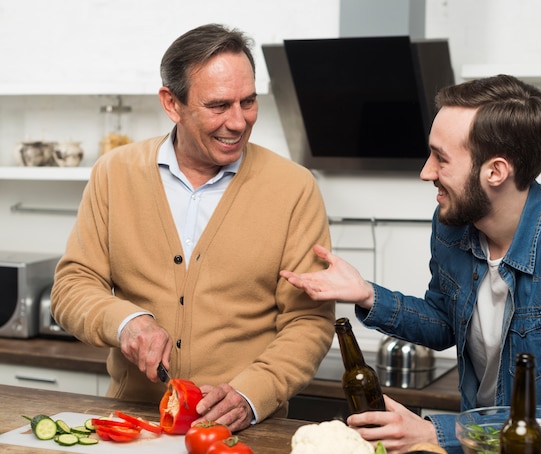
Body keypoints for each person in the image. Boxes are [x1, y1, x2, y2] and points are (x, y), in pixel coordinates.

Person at [280, 74, 541, 454]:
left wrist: (434, 433)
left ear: (495, 171)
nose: (426, 171)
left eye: (441, 158)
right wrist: (368, 295)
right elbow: (445, 322)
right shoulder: (451, 225)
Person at [51, 23, 335, 432]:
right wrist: (126, 321)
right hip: (135, 426)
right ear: (172, 103)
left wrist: (254, 392)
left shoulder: (294, 188)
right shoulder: (114, 173)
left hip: (246, 431)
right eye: (219, 105)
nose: (238, 122)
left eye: (249, 101)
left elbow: (309, 320)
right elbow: (73, 285)